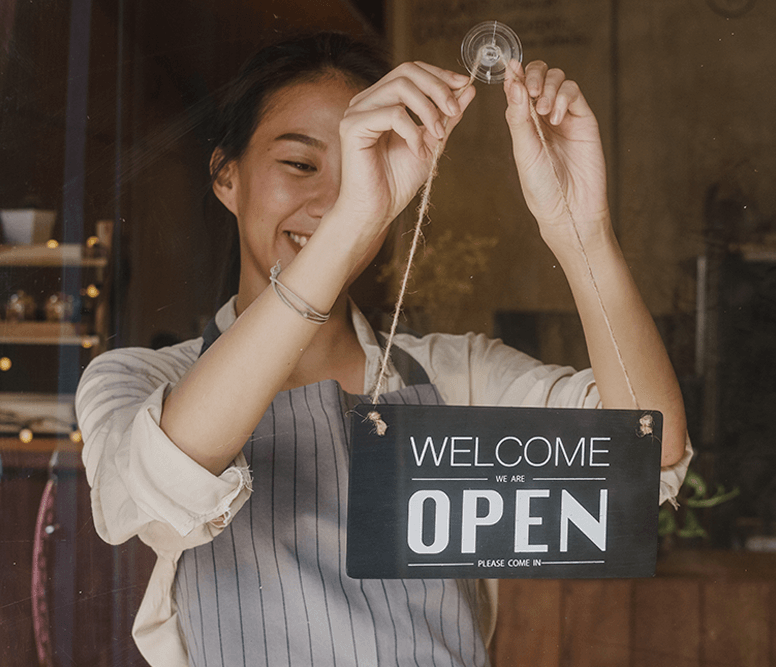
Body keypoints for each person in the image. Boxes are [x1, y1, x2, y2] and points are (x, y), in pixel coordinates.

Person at [76, 31, 693, 667]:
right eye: (301, 164)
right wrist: (346, 224)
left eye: (359, 171)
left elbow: (642, 456)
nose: (331, 199)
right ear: (226, 177)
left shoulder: (457, 376)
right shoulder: (141, 380)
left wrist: (581, 230)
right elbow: (159, 484)